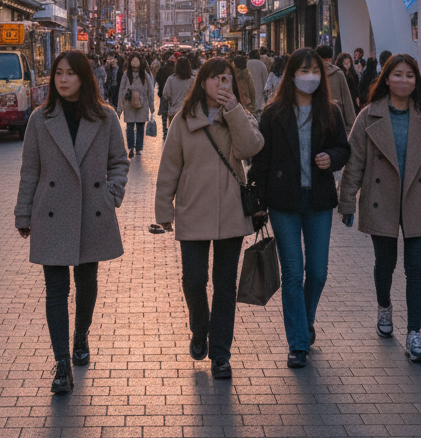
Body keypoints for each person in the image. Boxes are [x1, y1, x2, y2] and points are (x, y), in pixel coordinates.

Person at [15, 51, 128, 393]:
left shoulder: (105, 117)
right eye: (58, 73)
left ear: (84, 78)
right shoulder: (40, 118)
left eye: (70, 74)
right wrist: (23, 212)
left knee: (87, 281)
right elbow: (30, 170)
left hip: (92, 209)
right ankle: (62, 363)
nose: (63, 80)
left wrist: (111, 193)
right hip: (51, 211)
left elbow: (119, 162)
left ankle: (81, 334)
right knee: (55, 290)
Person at [155, 58, 264, 379]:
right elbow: (169, 168)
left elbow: (252, 148)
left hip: (231, 212)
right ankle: (199, 328)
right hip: (192, 211)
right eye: (216, 79)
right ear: (202, 83)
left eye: (227, 79)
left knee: (225, 286)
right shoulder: (183, 121)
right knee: (194, 281)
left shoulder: (240, 117)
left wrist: (234, 114)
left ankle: (220, 354)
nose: (222, 85)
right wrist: (164, 209)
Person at [338, 54, 421, 363]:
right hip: (381, 199)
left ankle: (414, 333)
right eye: (398, 75)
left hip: (419, 199)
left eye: (410, 76)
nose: (404, 81)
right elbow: (355, 162)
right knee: (385, 264)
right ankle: (384, 307)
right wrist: (347, 201)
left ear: (417, 81)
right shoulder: (368, 116)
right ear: (386, 79)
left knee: (416, 268)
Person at [250, 49, 350, 368]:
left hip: (318, 199)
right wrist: (258, 203)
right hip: (284, 202)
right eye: (304, 70)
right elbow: (261, 161)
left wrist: (331, 158)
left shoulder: (330, 111)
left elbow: (343, 148)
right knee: (293, 273)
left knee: (317, 272)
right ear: (291, 74)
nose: (311, 76)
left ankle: (305, 322)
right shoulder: (274, 113)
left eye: (315, 70)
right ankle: (298, 342)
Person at [117, 52, 154, 158]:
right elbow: (150, 91)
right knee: (138, 126)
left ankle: (132, 147)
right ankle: (137, 148)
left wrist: (120, 107)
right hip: (141, 104)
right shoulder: (143, 75)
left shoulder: (130, 74)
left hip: (130, 104)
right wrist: (151, 106)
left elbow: (121, 91)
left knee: (132, 126)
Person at [314, 44, 357, 134]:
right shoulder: (338, 73)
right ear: (331, 58)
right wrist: (351, 128)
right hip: (337, 124)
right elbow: (347, 100)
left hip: (315, 124)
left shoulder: (311, 74)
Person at [162, 57, 194, 127]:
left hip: (174, 112)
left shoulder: (171, 79)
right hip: (188, 112)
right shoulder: (192, 80)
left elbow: (166, 94)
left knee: (174, 135)